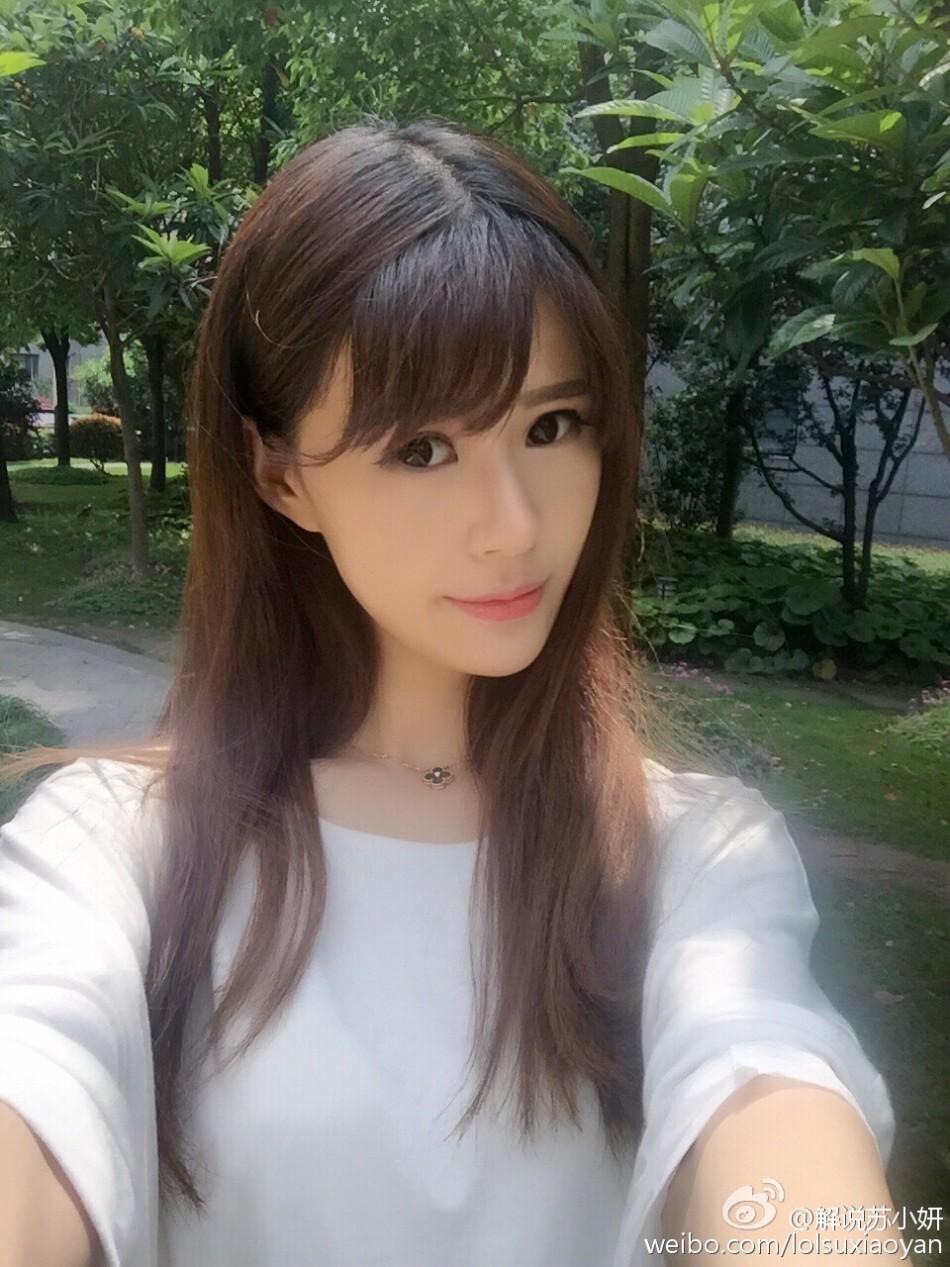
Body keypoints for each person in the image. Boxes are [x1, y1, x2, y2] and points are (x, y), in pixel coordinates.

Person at [0, 118, 906, 1267]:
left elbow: (763, 1082)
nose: (512, 526)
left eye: (550, 426)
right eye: (420, 448)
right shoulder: (114, 850)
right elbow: (36, 1059)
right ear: (279, 474)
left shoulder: (688, 858)